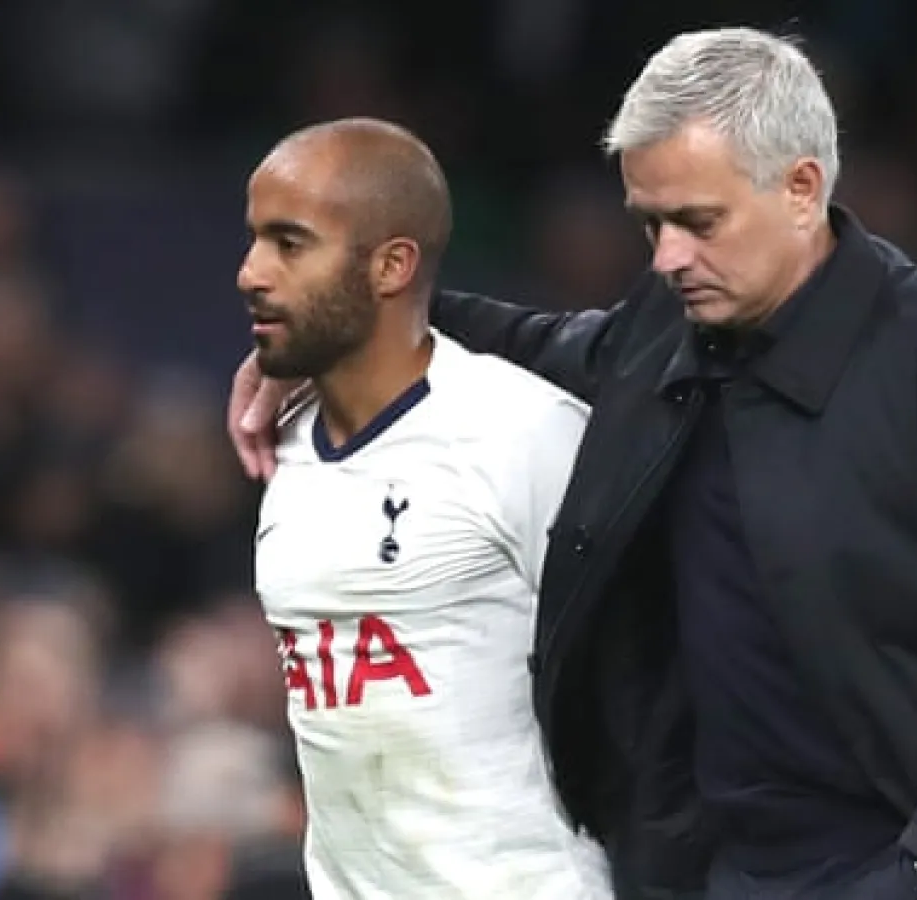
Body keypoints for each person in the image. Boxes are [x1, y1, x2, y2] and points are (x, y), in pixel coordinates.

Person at [230, 30, 917, 900]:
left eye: (698, 222)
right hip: (718, 871)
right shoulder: (669, 329)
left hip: (912, 867)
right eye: (650, 222)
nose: (667, 257)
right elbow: (541, 342)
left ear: (801, 187)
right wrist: (339, 341)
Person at [238, 118, 610, 899]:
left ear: (391, 265)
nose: (250, 272)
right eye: (255, 241)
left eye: (289, 243)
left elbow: (647, 693)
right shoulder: (288, 450)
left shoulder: (524, 435)